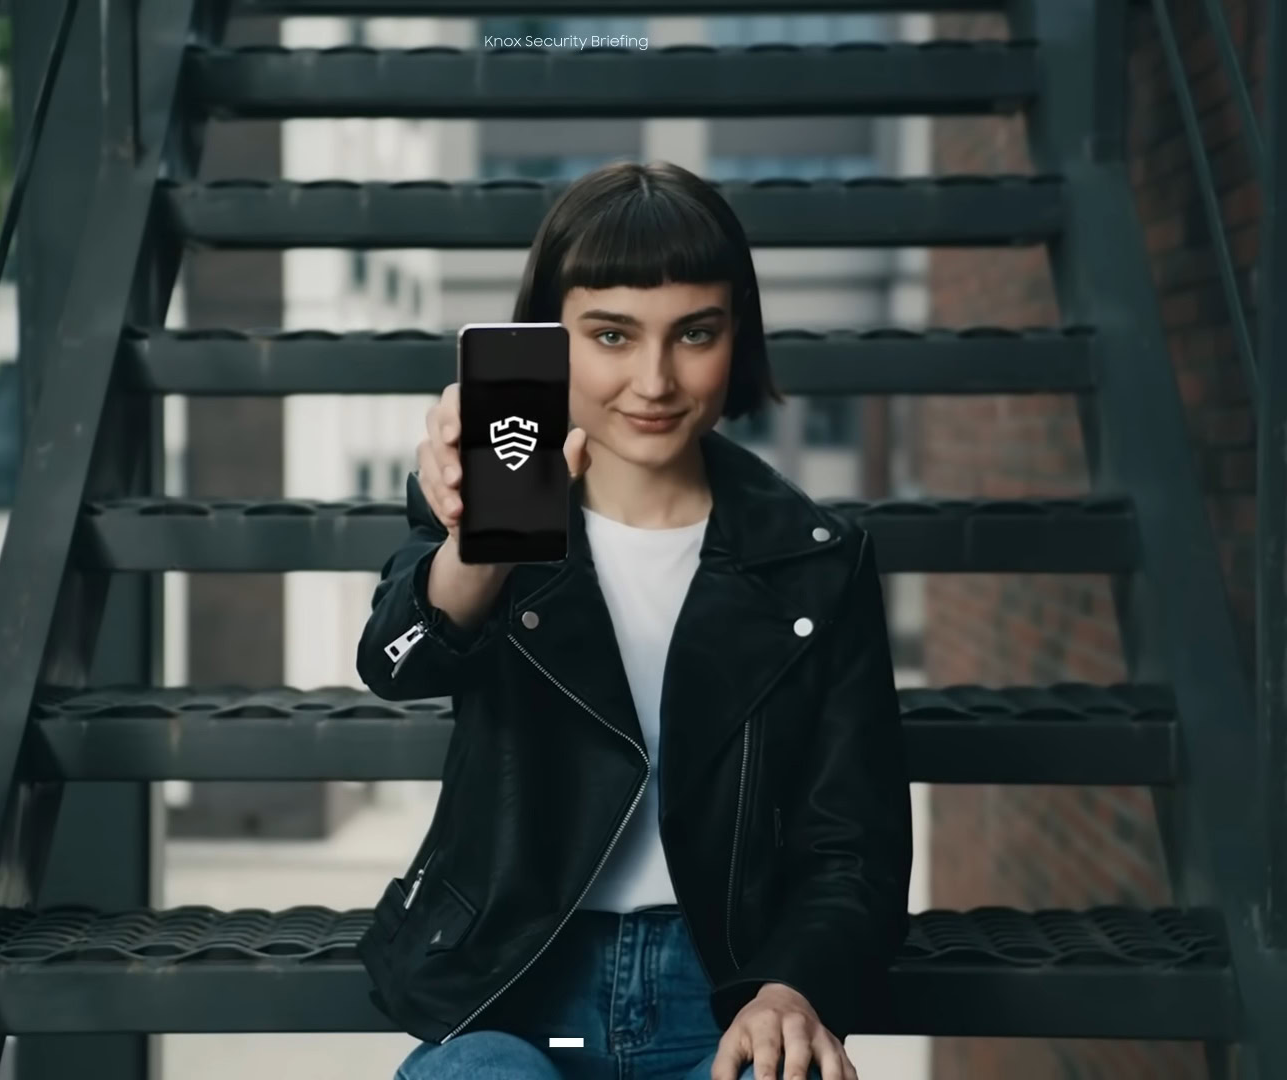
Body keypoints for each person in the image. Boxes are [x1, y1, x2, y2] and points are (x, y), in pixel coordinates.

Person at [354, 161, 912, 1080]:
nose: (654, 379)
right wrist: (479, 551)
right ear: (547, 342)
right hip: (514, 984)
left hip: (731, 990)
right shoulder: (484, 518)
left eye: (696, 332)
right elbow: (394, 663)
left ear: (739, 335)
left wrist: (793, 988)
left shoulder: (818, 561)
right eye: (610, 335)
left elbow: (851, 843)